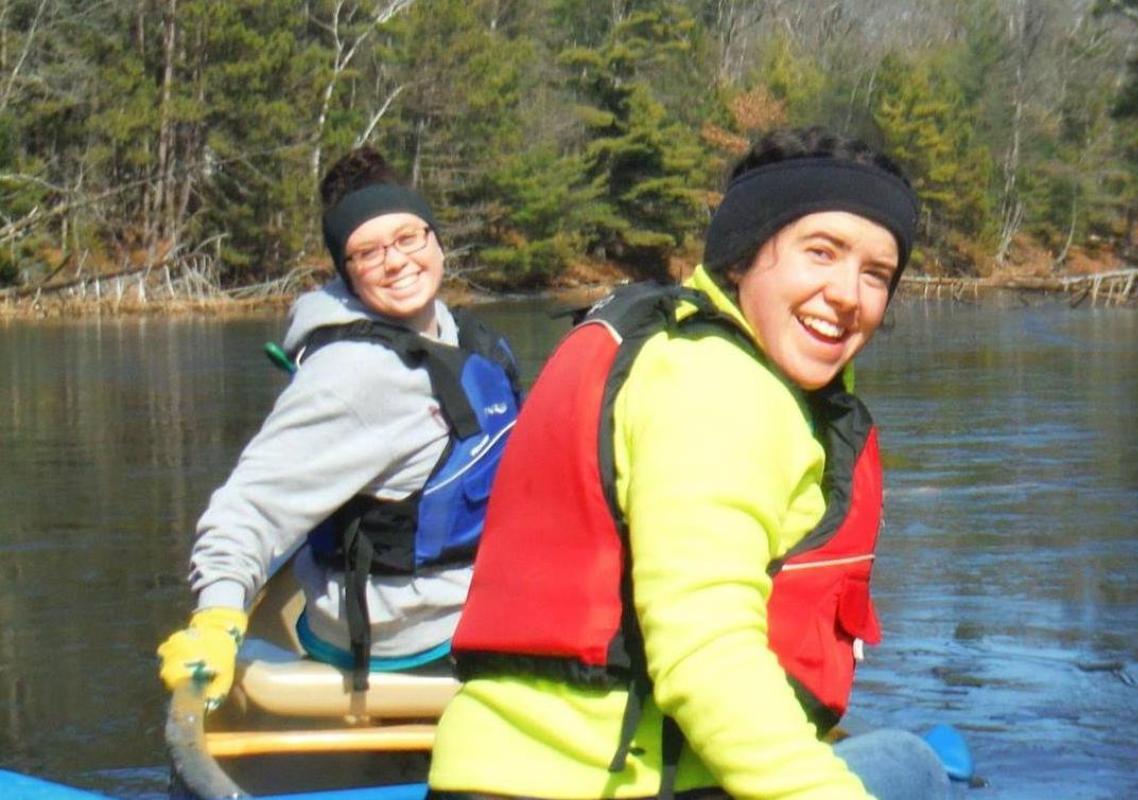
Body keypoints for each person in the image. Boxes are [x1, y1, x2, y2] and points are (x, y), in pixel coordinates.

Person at [427, 128, 953, 799]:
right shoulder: (722, 388)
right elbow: (705, 654)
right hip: (608, 782)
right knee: (917, 768)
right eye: (821, 252)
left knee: (904, 762)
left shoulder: (671, 346)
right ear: (742, 256)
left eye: (876, 273)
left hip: (497, 771)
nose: (849, 294)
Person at [157, 147, 522, 706]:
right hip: (415, 634)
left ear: (434, 237)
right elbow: (250, 505)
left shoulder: (456, 333)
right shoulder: (352, 375)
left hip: (468, 595)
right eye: (368, 253)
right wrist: (219, 616)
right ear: (346, 273)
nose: (396, 262)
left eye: (408, 238)